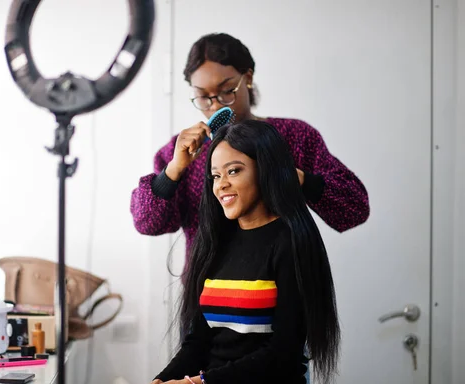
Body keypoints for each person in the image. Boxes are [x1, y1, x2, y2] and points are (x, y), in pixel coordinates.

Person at [125, 120, 340, 384]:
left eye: (234, 171)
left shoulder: (290, 241)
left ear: (266, 171)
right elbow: (197, 343)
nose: (221, 185)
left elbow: (282, 354)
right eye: (215, 176)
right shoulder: (217, 241)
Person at [130, 33, 369, 269]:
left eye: (226, 91)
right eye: (202, 97)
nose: (215, 105)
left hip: (284, 287)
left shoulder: (294, 136)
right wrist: (173, 171)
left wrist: (297, 178)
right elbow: (147, 223)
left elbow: (354, 209)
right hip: (209, 294)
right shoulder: (179, 152)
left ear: (248, 78)